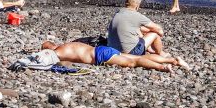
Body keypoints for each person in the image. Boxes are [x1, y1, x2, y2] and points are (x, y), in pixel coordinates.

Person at [38, 37, 190, 72]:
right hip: (103, 50)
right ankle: (173, 60)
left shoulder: (59, 52)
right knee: (137, 57)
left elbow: (63, 64)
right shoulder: (68, 44)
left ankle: (162, 68)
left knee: (134, 63)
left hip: (101, 57)